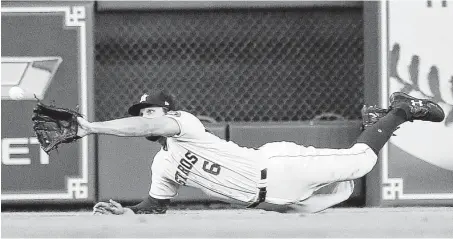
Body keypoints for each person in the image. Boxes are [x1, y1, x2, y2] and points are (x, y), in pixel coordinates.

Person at [82, 90, 445, 215]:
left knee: (362, 163)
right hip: (282, 201)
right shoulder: (163, 164)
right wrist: (128, 211)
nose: (145, 118)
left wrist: (92, 127)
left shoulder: (186, 125)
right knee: (337, 190)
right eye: (140, 114)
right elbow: (156, 206)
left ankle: (399, 109)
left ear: (169, 112)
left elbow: (147, 128)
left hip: (276, 169)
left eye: (150, 111)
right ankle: (374, 123)